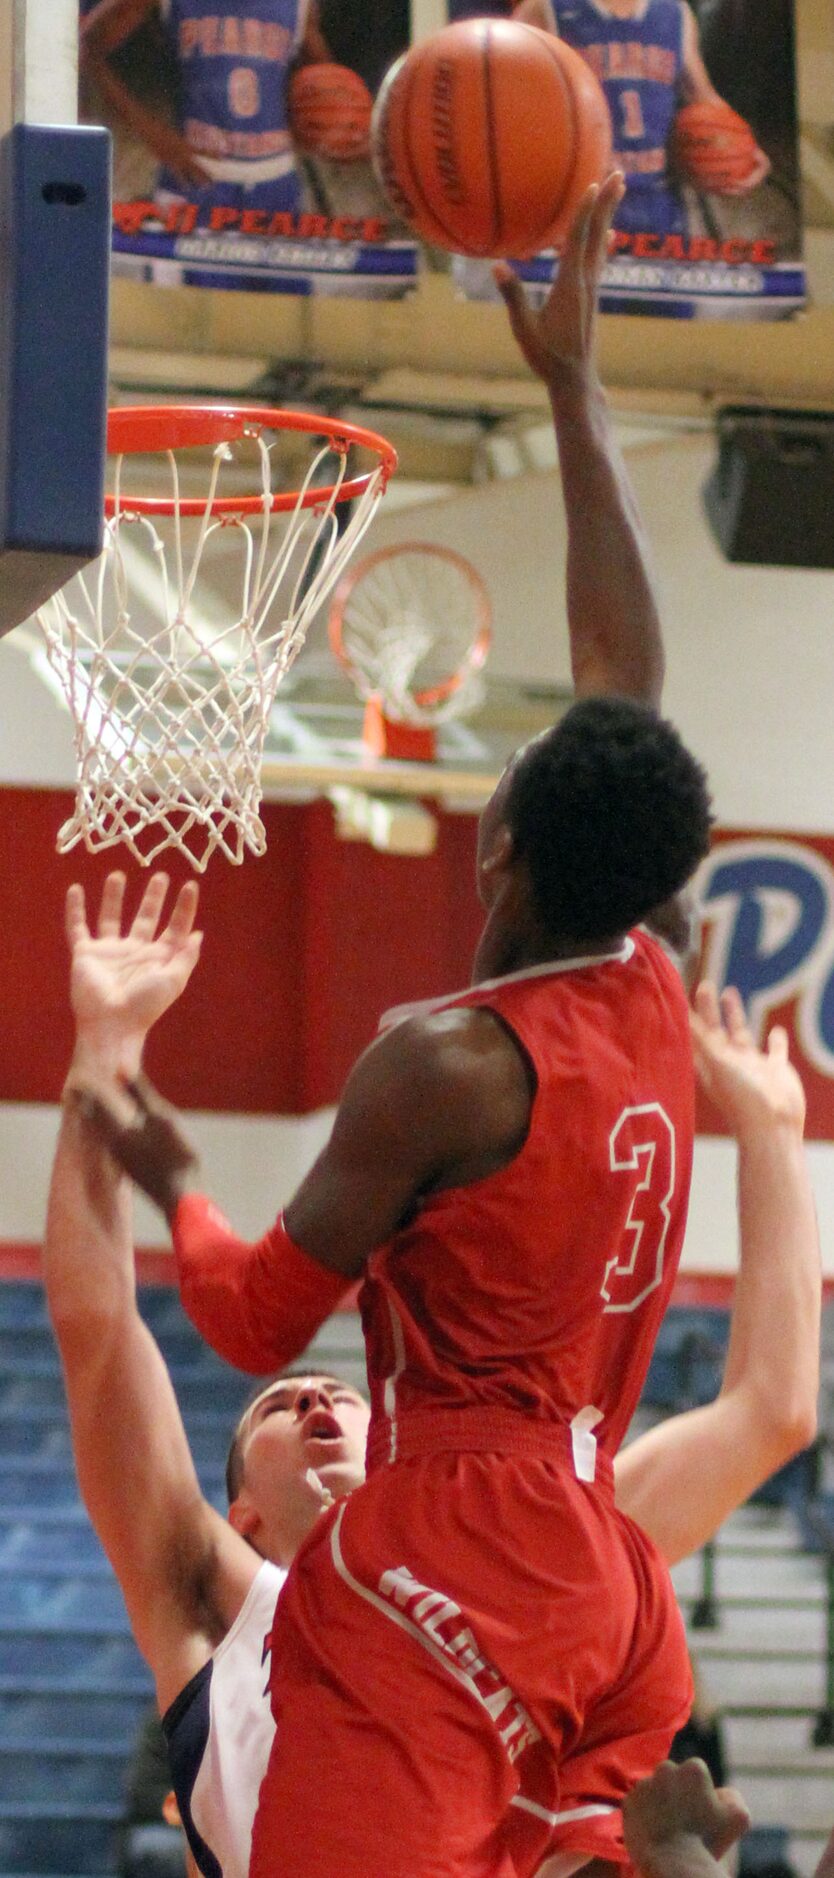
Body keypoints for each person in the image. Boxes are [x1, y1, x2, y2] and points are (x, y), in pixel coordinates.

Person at [65, 171, 713, 1878]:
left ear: (497, 839)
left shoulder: (442, 1056)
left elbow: (253, 1308)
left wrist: (155, 1148)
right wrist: (570, 395)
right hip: (603, 1574)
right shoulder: (650, 974)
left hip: (452, 1549)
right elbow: (619, 685)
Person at [53, 876, 818, 1878]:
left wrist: (771, 1133)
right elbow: (99, 1328)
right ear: (239, 1513)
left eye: (342, 1396)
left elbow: (772, 1408)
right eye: (283, 1406)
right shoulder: (205, 1601)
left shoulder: (531, 1533)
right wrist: (104, 1046)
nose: (322, 1399)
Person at [80, 0, 331, 219]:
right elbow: (87, 47)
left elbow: (325, 86)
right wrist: (153, 134)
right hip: (195, 179)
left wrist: (330, 127)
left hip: (276, 181)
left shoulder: (301, 6)